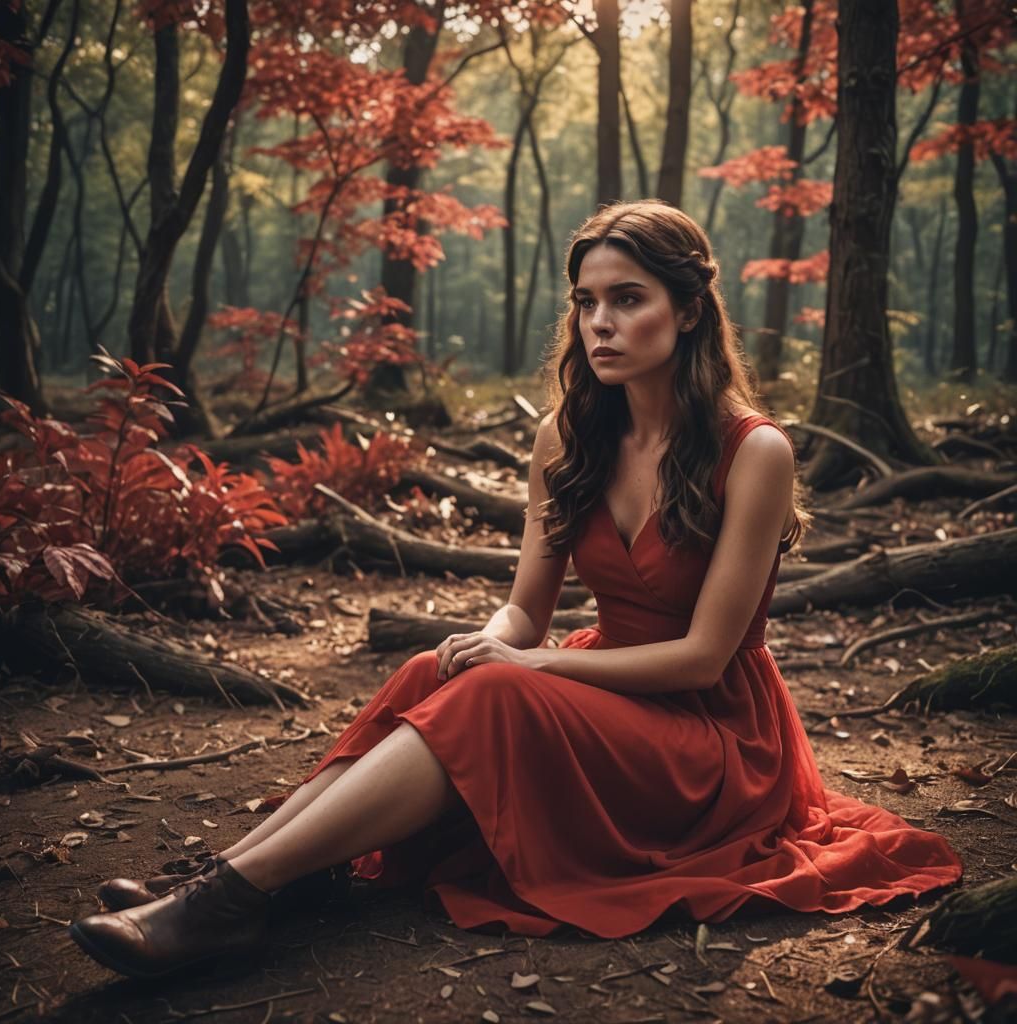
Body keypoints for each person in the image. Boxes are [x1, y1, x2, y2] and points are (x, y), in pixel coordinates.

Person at [69, 200, 963, 980]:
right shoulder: (565, 437)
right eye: (586, 302)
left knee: (498, 689)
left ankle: (227, 902)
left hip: (713, 739)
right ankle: (234, 880)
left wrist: (526, 665)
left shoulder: (754, 450)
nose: (600, 324)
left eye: (628, 299)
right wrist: (492, 641)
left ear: (689, 311)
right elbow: (526, 611)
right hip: (608, 691)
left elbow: (702, 658)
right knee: (436, 668)